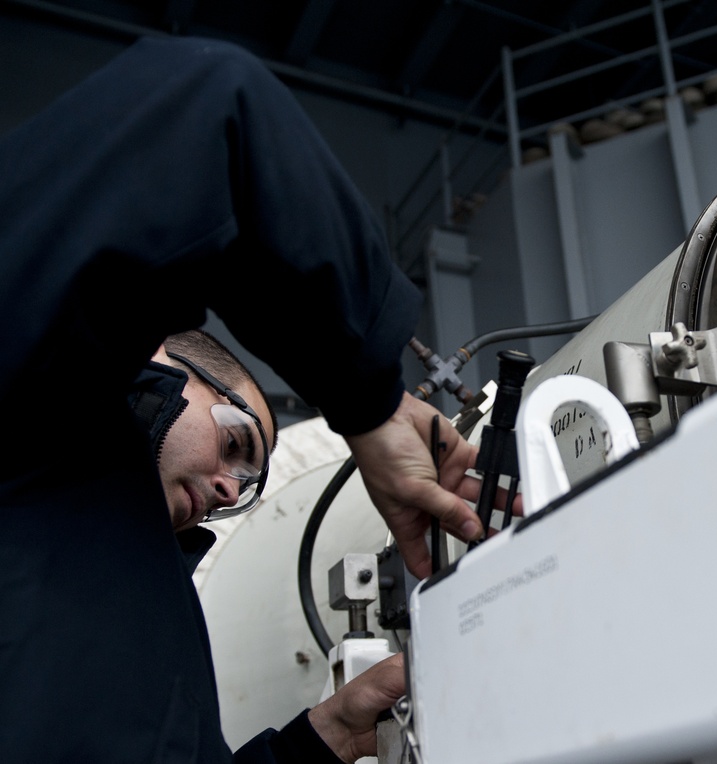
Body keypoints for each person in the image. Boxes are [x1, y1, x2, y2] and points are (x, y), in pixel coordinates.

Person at [0, 33, 503, 763]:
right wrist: (372, 403)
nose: (230, 486)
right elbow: (207, 109)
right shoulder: (32, 399)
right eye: (236, 442)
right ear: (155, 359)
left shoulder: (151, 603)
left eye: (245, 485)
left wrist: (324, 738)